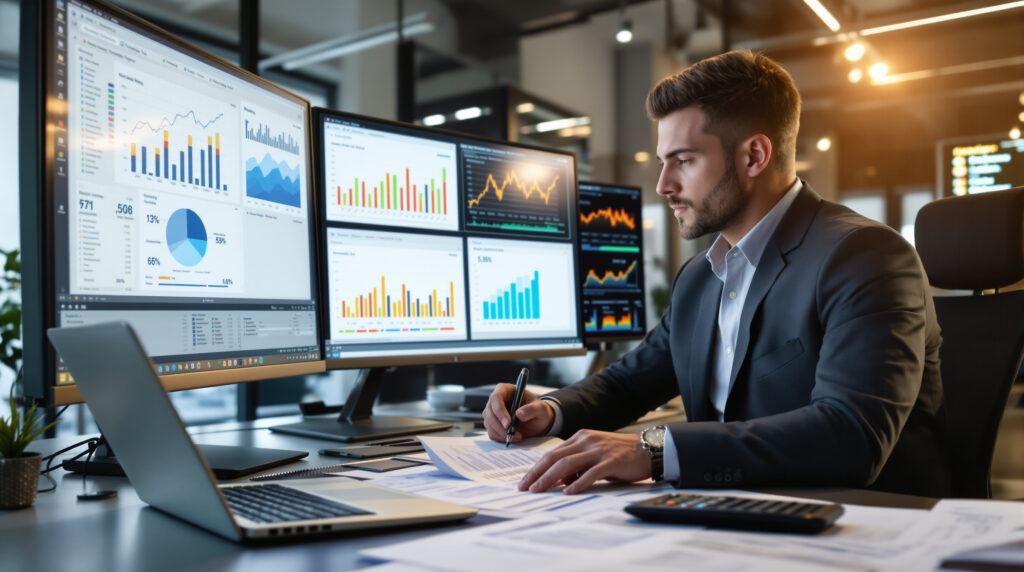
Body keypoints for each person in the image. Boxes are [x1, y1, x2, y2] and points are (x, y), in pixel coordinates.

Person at [483, 49, 949, 498]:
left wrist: (657, 450)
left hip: (860, 525)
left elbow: (851, 435)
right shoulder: (701, 277)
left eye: (683, 160)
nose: (664, 185)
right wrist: (548, 409)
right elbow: (628, 382)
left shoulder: (864, 256)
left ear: (753, 156)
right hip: (734, 512)